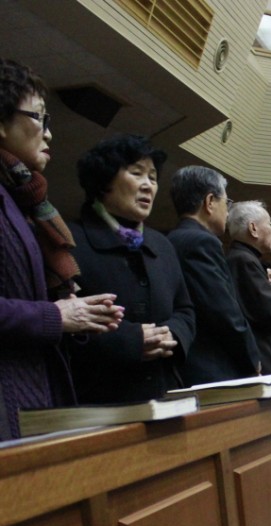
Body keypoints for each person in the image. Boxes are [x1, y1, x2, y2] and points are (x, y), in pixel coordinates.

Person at [0, 58, 123, 439]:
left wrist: (76, 312)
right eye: (40, 118)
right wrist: (56, 315)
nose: (49, 134)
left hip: (31, 395)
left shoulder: (22, 200)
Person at [68, 134, 195, 404]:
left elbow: (185, 309)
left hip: (165, 391)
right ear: (103, 181)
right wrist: (130, 341)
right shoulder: (69, 241)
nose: (148, 185)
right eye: (137, 174)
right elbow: (60, 322)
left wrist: (171, 334)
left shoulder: (162, 244)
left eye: (153, 177)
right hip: (99, 400)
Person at [168, 165, 260, 385]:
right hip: (214, 368)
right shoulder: (202, 242)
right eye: (226, 203)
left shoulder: (169, 240)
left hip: (185, 366)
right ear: (209, 202)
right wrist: (252, 358)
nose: (227, 211)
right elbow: (223, 311)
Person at [225, 200, 271, 383]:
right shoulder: (243, 260)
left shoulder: (245, 258)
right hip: (269, 363)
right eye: (270, 224)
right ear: (253, 229)